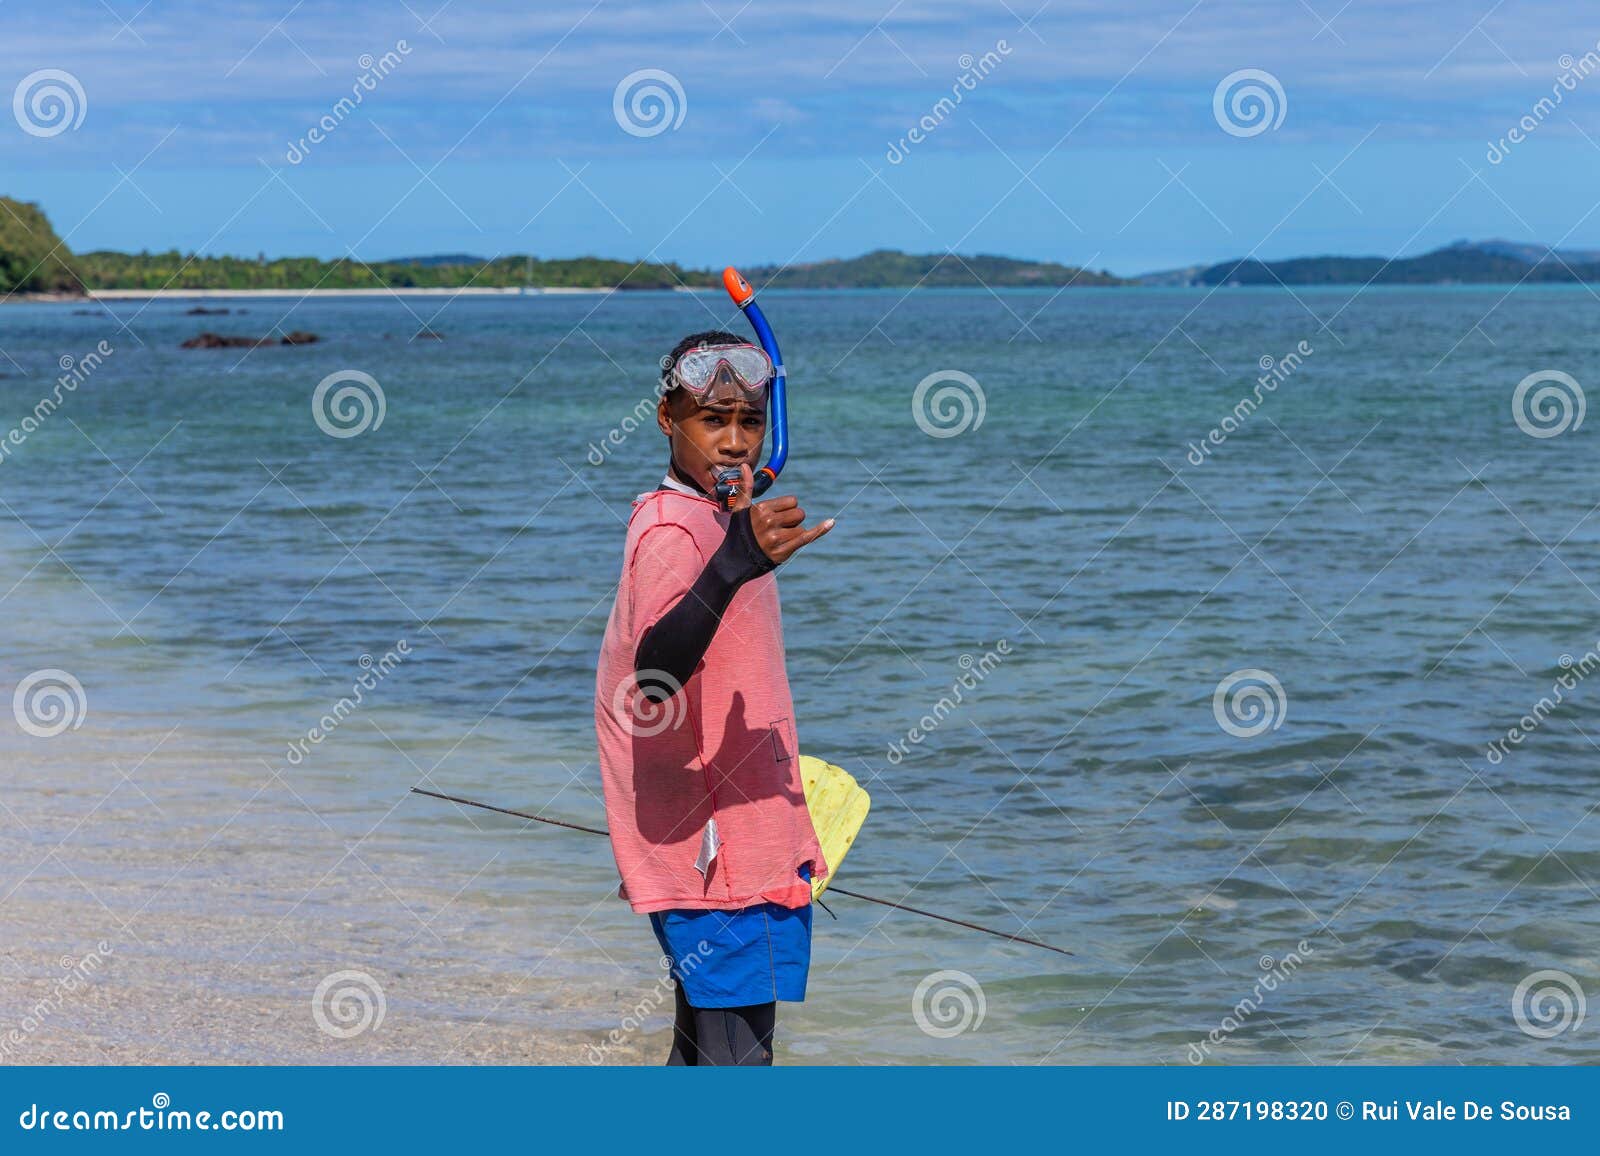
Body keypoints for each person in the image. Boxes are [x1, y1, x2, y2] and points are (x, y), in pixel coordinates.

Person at [593, 329, 835, 1065]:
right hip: (718, 848)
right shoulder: (675, 532)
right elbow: (655, 673)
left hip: (718, 833)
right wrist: (734, 564)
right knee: (740, 1066)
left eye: (750, 421)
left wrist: (737, 543)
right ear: (667, 419)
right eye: (711, 419)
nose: (734, 443)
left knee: (700, 1051)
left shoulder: (716, 518)